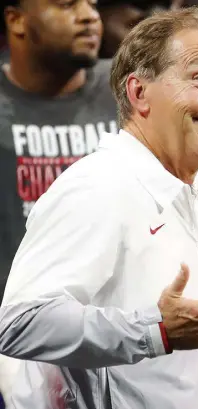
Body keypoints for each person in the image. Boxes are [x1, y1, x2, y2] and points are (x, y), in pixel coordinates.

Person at [0, 7, 198, 409]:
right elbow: (20, 324)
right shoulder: (99, 186)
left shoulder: (191, 186)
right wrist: (155, 331)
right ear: (139, 93)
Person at [0, 0, 118, 304]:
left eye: (92, 4)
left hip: (121, 319)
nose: (89, 16)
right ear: (16, 21)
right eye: (67, 4)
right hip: (17, 320)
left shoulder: (128, 91)